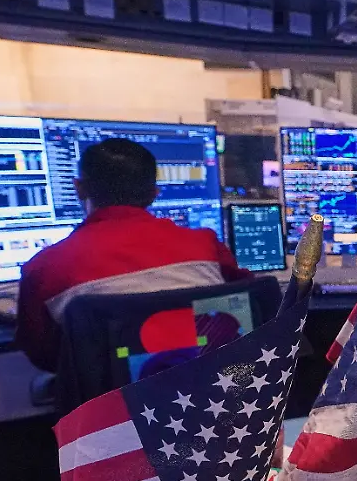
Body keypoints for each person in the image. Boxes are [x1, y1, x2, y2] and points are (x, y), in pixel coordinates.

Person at [16, 138, 248, 372]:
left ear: (79, 188)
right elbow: (248, 303)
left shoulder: (44, 269)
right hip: (215, 397)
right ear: (154, 194)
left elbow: (44, 357)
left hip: (113, 406)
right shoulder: (205, 245)